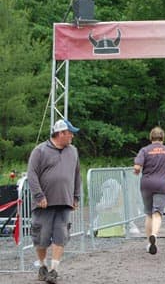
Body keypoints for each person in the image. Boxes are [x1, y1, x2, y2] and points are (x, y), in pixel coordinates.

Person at [27, 119, 81, 284]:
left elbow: (77, 174)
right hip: (44, 203)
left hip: (65, 201)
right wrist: (39, 196)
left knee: (60, 235)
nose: (72, 136)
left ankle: (54, 270)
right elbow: (32, 174)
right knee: (41, 238)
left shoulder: (73, 151)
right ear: (61, 133)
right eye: (70, 133)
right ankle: (42, 266)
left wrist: (76, 196)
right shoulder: (40, 151)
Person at [133, 126, 165, 255]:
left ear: (151, 137)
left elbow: (137, 166)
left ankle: (149, 243)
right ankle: (154, 234)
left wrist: (137, 171)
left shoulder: (144, 150)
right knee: (157, 213)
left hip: (147, 184)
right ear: (163, 138)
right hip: (162, 184)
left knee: (148, 213)